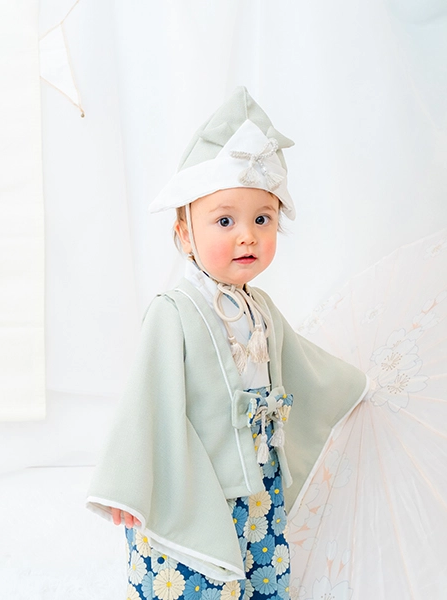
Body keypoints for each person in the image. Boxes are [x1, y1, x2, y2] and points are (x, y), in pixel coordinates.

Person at [86, 87, 369, 600]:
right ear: (185, 235)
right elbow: (144, 401)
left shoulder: (260, 307)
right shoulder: (174, 311)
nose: (247, 236)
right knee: (194, 576)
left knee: (261, 567)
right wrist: (128, 485)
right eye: (224, 220)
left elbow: (303, 364)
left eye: (262, 218)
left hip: (258, 477)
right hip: (197, 482)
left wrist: (353, 386)